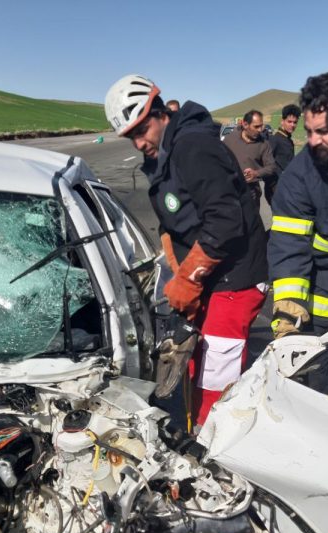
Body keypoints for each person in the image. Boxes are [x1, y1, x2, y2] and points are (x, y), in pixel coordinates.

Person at [104, 74, 268, 427]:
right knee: (197, 371)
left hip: (234, 283)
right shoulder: (166, 155)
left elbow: (225, 221)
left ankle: (218, 462)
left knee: (215, 387)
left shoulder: (193, 147)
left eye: (140, 130)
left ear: (159, 113)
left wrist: (189, 280)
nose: (137, 143)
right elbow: (177, 223)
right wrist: (179, 270)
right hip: (215, 280)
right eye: (129, 136)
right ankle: (199, 438)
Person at [267, 73, 328, 396]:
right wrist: (288, 318)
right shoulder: (300, 175)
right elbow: (289, 247)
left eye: (324, 131)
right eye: (309, 131)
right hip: (325, 325)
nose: (314, 141)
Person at [223, 109, 277, 204]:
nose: (260, 130)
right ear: (245, 125)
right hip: (230, 191)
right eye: (256, 126)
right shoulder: (230, 139)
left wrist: (256, 173)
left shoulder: (264, 144)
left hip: (252, 192)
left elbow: (271, 167)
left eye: (261, 126)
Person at [265, 104, 301, 204]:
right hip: (277, 189)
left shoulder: (288, 140)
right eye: (289, 122)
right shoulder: (275, 140)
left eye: (295, 122)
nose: (292, 125)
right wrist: (274, 185)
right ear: (282, 121)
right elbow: (266, 163)